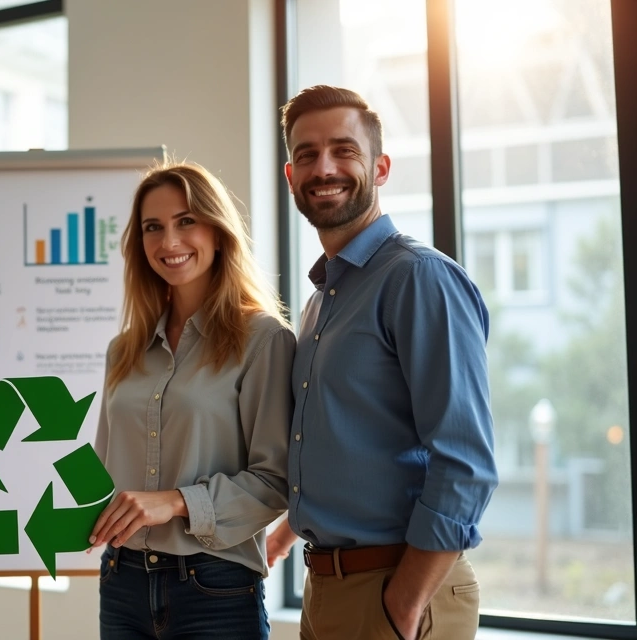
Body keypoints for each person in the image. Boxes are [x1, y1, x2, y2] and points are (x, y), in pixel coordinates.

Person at [266, 85, 498, 640]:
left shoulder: (418, 278)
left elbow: (465, 460)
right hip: (330, 589)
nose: (325, 168)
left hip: (395, 591)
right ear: (290, 175)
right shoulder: (325, 297)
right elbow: (353, 440)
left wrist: (404, 602)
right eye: (307, 155)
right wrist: (290, 530)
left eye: (344, 150)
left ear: (381, 167)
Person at [88, 162, 295, 640]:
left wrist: (178, 502)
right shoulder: (124, 349)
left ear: (218, 232)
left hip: (214, 587)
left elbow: (277, 481)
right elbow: (103, 470)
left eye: (186, 221)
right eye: (152, 228)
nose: (169, 242)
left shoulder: (263, 340)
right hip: (122, 580)